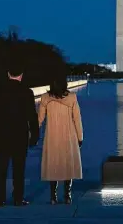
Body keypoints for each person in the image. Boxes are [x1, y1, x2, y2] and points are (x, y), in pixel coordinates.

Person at [0, 58, 40, 207]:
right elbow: (32, 116)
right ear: (21, 75)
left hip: (1, 136)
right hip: (19, 135)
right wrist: (35, 135)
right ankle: (18, 198)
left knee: (1, 168)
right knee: (19, 169)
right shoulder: (27, 92)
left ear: (8, 74)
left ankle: (0, 198)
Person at [38, 74, 83, 205]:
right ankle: (68, 195)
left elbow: (39, 119)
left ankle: (53, 196)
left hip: (52, 136)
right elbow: (77, 119)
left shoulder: (45, 98)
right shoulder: (72, 97)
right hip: (69, 136)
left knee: (53, 165)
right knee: (67, 164)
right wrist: (80, 137)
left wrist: (31, 133)